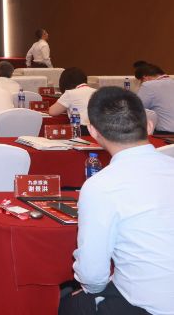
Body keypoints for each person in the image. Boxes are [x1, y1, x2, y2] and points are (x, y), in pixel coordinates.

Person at [60, 87, 174, 315]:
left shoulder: (101, 185)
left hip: (149, 307)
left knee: (67, 302)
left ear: (93, 131)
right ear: (149, 126)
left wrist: (90, 290)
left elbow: (93, 274)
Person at [136, 63, 174, 133]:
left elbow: (136, 108)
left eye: (140, 81)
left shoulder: (148, 85)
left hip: (166, 135)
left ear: (145, 77)